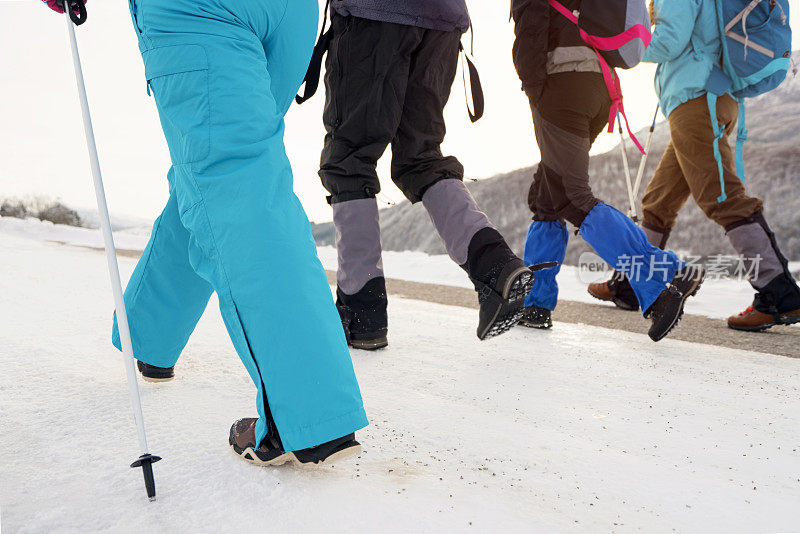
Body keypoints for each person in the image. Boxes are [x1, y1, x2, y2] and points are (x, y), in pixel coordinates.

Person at [44, 0, 369, 466]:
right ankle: (149, 335)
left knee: (230, 183)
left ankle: (308, 415)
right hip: (291, 13)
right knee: (219, 178)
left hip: (201, 10)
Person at [318, 0, 534, 349]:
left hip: (373, 16)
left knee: (350, 160)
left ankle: (363, 310)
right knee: (421, 157)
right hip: (441, 24)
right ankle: (494, 264)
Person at [588, 0, 800, 332]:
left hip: (697, 102)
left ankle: (780, 295)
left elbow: (669, 41)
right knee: (659, 202)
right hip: (709, 98)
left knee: (723, 198)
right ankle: (631, 286)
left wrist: (618, 47)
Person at [511, 0, 704, 341]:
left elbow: (531, 29)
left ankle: (663, 278)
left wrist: (534, 88)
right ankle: (536, 304)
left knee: (572, 197)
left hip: (562, 86)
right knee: (548, 194)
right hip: (599, 84)